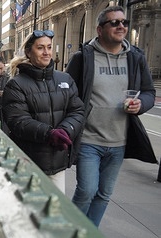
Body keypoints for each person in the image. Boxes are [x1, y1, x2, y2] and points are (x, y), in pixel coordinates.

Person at [65, 5, 156, 226]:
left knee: (104, 194)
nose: (121, 26)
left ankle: (89, 236)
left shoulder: (135, 57)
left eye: (124, 22)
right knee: (87, 190)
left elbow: (149, 92)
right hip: (88, 140)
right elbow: (67, 92)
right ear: (99, 29)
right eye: (114, 22)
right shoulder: (83, 58)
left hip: (119, 141)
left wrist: (140, 104)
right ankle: (71, 234)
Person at [1, 30, 85, 193]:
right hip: (28, 163)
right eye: (40, 48)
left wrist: (66, 131)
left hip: (57, 163)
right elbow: (18, 121)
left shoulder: (65, 79)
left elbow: (78, 110)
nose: (46, 52)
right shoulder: (16, 85)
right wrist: (49, 134)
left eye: (49, 47)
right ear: (28, 52)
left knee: (55, 212)